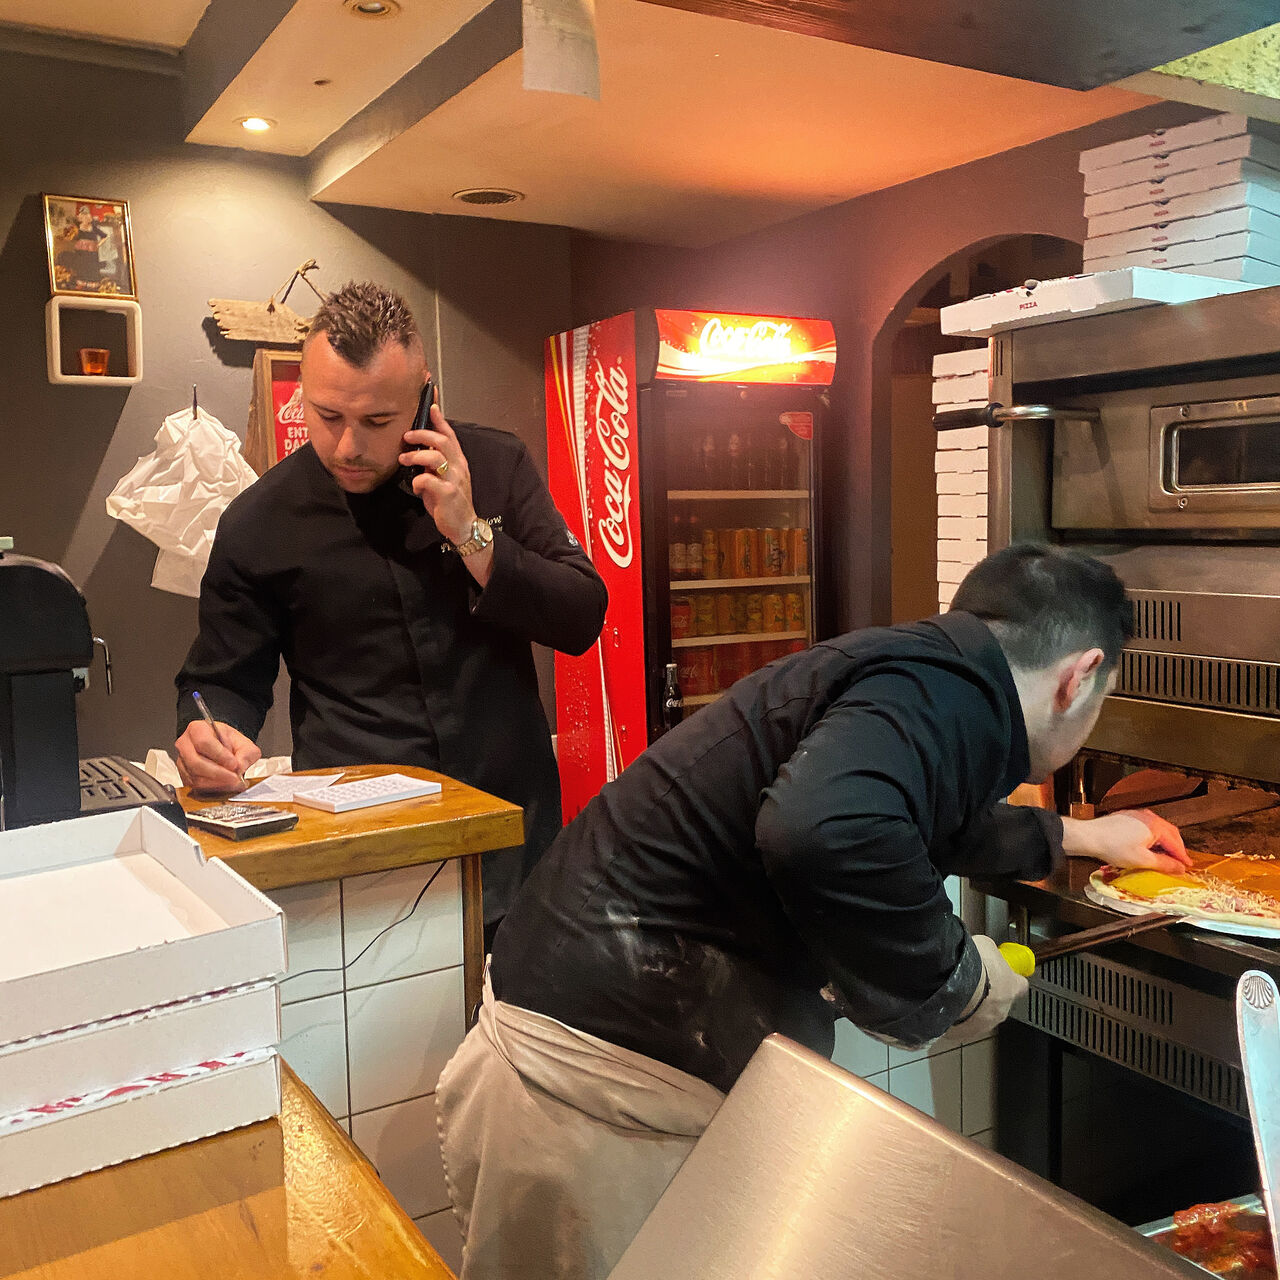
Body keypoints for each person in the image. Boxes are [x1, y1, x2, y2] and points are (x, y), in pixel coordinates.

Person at [435, 543, 1190, 1280]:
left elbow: (911, 812)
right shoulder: (945, 695)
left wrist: (1077, 836)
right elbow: (824, 829)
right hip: (586, 1090)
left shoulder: (923, 674)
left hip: (580, 1048)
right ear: (1079, 677)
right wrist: (952, 981)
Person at [174, 281, 607, 933]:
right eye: (327, 416)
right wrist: (209, 732)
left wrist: (471, 534)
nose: (348, 446)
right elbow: (219, 682)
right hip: (358, 849)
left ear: (426, 396)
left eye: (377, 421)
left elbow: (581, 615)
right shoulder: (260, 522)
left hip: (512, 832)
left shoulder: (496, 465)